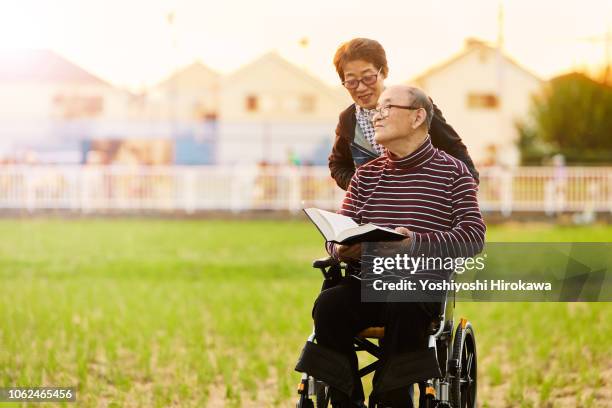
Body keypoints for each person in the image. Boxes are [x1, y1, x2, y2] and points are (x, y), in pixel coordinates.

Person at [312, 85, 486, 407]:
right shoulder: (365, 176)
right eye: (378, 108)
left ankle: (392, 401)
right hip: (366, 281)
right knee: (328, 308)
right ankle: (346, 401)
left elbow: (473, 236)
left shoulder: (453, 173)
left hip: (419, 286)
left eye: (388, 107)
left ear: (418, 116)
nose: (377, 115)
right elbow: (336, 235)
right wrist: (341, 249)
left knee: (406, 301)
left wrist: (414, 243)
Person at [329, 38, 479, 191]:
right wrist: (360, 188)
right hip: (373, 211)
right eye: (351, 81)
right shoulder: (348, 119)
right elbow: (337, 164)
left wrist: (468, 184)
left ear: (384, 72)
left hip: (419, 203)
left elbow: (453, 147)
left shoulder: (413, 104)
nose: (360, 88)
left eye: (368, 78)